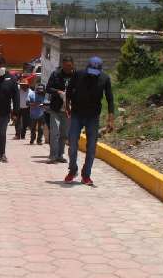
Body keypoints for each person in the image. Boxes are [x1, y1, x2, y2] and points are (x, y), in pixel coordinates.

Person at [65, 56, 115, 186]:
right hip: (77, 114)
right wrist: (67, 106)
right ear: (87, 68)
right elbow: (69, 91)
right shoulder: (79, 75)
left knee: (91, 147)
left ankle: (86, 175)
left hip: (93, 117)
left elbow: (110, 99)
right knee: (72, 144)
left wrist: (111, 119)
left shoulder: (105, 78)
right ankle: (73, 170)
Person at [46, 55, 75, 164]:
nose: (68, 68)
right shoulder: (55, 75)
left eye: (70, 66)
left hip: (68, 110)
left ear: (72, 65)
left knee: (64, 134)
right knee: (55, 132)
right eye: (66, 66)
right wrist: (58, 92)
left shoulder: (75, 75)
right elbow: (48, 88)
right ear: (62, 65)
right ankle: (52, 155)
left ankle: (60, 155)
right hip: (56, 109)